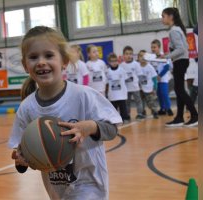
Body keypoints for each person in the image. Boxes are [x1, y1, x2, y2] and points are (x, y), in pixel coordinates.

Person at [8, 26, 122, 200]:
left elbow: (112, 129)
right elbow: (22, 155)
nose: (41, 62)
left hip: (90, 186)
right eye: (33, 57)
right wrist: (22, 161)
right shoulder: (27, 108)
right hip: (58, 190)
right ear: (25, 65)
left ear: (65, 61)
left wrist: (90, 127)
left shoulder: (83, 95)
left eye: (48, 55)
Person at [161, 7, 198, 127]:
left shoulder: (173, 31)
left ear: (170, 17)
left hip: (180, 61)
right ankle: (179, 117)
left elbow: (181, 49)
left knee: (180, 90)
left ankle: (195, 115)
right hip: (181, 61)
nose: (162, 18)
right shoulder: (177, 29)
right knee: (178, 90)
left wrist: (167, 56)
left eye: (163, 16)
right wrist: (170, 55)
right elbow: (185, 46)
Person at [120, 46, 145, 120]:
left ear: (132, 55)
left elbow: (140, 75)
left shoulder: (136, 64)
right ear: (123, 55)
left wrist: (141, 85)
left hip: (135, 87)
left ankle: (140, 113)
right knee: (127, 102)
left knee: (138, 101)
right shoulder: (121, 65)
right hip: (126, 88)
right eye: (127, 54)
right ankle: (127, 114)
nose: (128, 55)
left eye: (130, 54)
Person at [150, 39, 173, 116]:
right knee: (159, 94)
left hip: (163, 79)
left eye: (154, 47)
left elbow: (166, 67)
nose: (153, 49)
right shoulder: (151, 57)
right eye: (152, 47)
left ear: (159, 47)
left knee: (164, 93)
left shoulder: (164, 56)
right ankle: (162, 108)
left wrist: (160, 75)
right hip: (155, 79)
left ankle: (168, 108)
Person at [106, 53, 130, 123]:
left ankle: (125, 118)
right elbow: (106, 83)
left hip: (121, 94)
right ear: (109, 62)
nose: (114, 63)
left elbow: (126, 80)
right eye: (112, 61)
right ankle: (115, 120)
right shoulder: (107, 71)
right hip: (112, 95)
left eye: (115, 61)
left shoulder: (122, 70)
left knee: (123, 108)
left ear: (117, 61)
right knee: (113, 109)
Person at [137, 50, 159, 119]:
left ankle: (154, 111)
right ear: (138, 58)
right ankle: (142, 111)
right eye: (140, 56)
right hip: (140, 88)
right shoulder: (137, 67)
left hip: (149, 88)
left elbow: (154, 78)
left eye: (144, 56)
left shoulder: (150, 67)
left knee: (151, 101)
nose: (142, 58)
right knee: (141, 100)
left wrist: (155, 87)